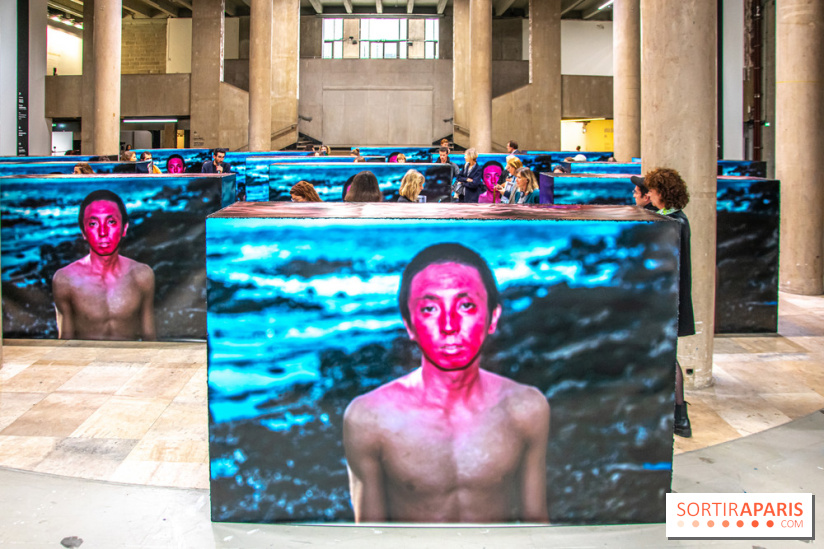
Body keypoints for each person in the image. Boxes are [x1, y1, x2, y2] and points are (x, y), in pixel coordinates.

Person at [343, 243, 550, 523]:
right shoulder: (369, 418)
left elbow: (537, 528)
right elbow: (370, 538)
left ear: (492, 317)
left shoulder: (526, 409)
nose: (449, 325)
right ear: (409, 325)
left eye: (466, 305)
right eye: (430, 309)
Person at [635, 169, 695, 438]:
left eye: (653, 190)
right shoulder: (673, 218)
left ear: (661, 193)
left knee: (668, 355)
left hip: (666, 299)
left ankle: (679, 417)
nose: (649, 194)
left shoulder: (672, 222)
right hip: (666, 297)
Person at [52, 190, 156, 341]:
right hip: (86, 360)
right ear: (83, 232)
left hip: (131, 361)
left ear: (124, 228)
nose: (102, 232)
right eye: (93, 223)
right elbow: (65, 340)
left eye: (111, 222)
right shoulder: (65, 280)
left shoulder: (142, 275)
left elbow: (150, 338)